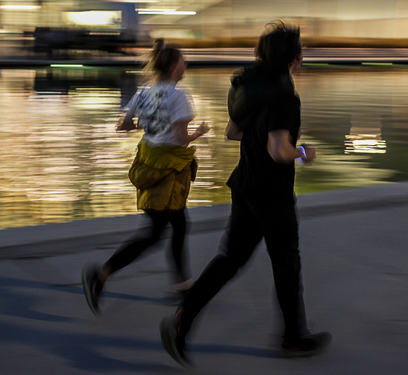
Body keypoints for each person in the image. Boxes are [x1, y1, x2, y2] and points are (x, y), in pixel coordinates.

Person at [159, 21, 331, 367]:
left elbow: (232, 132)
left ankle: (184, 317)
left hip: (246, 186)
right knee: (286, 262)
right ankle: (294, 338)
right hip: (272, 193)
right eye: (300, 50)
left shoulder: (250, 86)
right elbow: (279, 151)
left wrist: (264, 133)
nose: (302, 56)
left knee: (230, 258)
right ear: (291, 57)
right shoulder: (284, 96)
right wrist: (303, 153)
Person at [81, 39, 209, 316]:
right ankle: (103, 273)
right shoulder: (179, 95)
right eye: (183, 61)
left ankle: (184, 286)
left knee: (171, 226)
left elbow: (122, 126)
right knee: (161, 230)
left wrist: (147, 123)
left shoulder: (143, 92)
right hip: (169, 169)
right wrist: (199, 132)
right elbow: (180, 139)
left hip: (148, 163)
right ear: (174, 66)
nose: (185, 64)